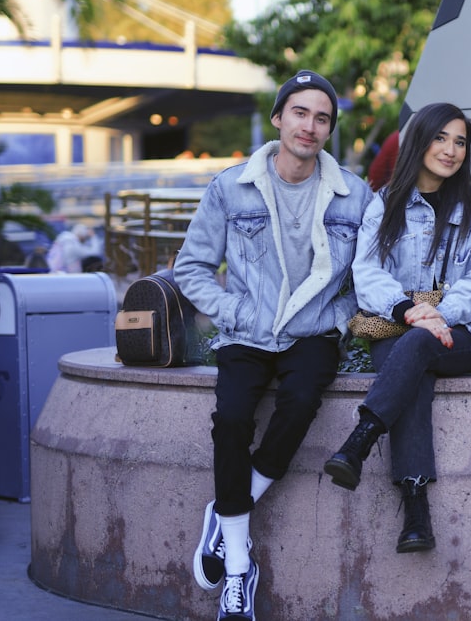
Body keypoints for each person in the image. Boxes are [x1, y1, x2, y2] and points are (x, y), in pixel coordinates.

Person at [173, 70, 373, 621]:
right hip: (247, 330)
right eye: (301, 113)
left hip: (312, 332)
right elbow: (190, 268)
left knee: (302, 402)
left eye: (322, 118)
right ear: (279, 118)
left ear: (329, 130)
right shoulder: (230, 187)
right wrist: (232, 310)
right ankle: (240, 565)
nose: (310, 126)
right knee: (233, 418)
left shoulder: (354, 195)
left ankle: (228, 511)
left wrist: (338, 315)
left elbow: (367, 275)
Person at [323, 102, 471, 553]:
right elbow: (367, 273)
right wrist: (409, 310)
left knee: (420, 347)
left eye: (460, 141)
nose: (450, 150)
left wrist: (434, 316)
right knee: (414, 371)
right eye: (440, 138)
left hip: (461, 335)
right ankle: (416, 514)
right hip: (399, 327)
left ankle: (360, 439)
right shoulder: (385, 204)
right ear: (418, 141)